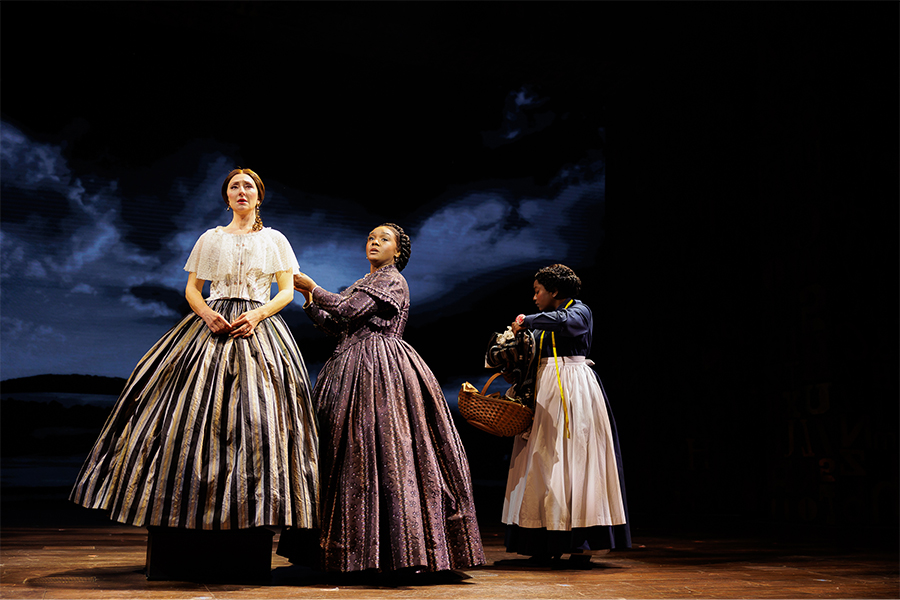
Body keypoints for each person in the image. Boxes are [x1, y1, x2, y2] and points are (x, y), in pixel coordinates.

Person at [70, 168, 318, 580]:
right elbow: (192, 289)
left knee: (259, 419)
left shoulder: (275, 239)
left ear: (259, 197)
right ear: (227, 197)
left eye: (249, 187)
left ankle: (250, 513)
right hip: (211, 325)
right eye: (234, 187)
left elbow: (287, 291)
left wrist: (257, 315)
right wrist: (207, 315)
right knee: (186, 415)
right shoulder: (210, 239)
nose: (241, 192)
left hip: (257, 327)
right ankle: (185, 510)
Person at [285, 223, 484, 576]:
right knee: (348, 455)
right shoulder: (363, 282)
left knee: (388, 451)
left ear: (398, 251)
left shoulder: (392, 279)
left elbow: (348, 309)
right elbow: (337, 325)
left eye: (384, 239)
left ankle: (401, 550)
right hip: (348, 368)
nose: (374, 242)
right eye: (371, 238)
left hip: (380, 369)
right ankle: (347, 551)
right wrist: (309, 300)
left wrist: (313, 287)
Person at [503, 264, 630, 567]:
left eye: (538, 291)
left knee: (576, 459)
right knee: (541, 460)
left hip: (573, 388)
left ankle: (580, 540)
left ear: (555, 291)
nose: (535, 297)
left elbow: (565, 323)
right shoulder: (541, 325)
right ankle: (542, 538)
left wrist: (525, 320)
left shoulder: (579, 311)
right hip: (545, 390)